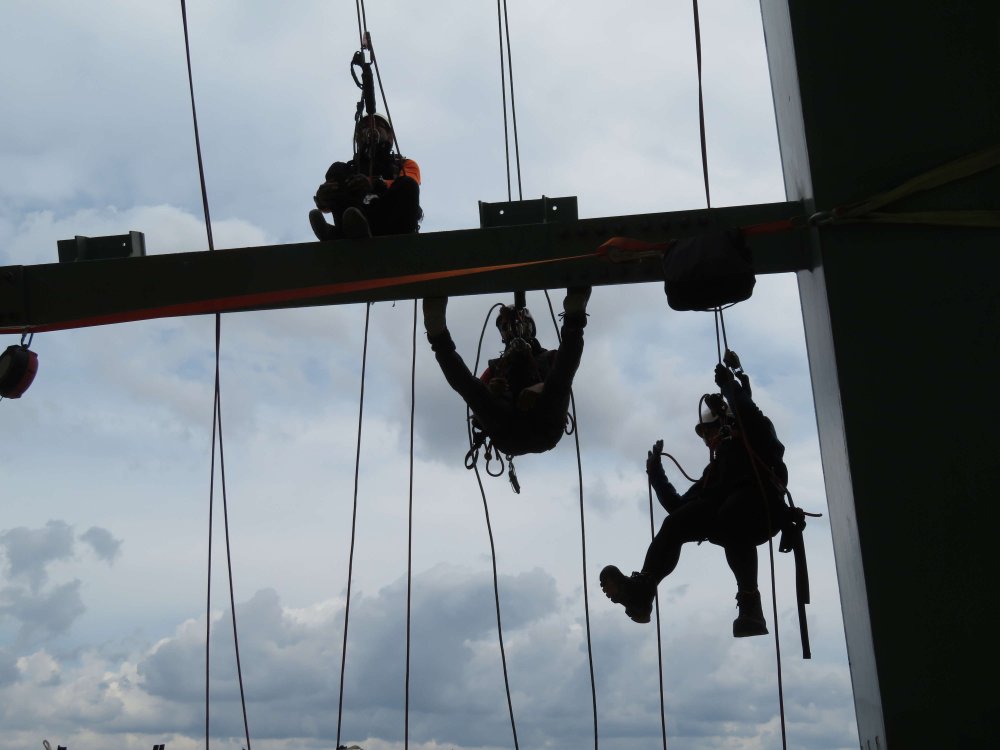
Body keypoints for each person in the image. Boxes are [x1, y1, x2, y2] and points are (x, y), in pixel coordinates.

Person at [600, 359, 789, 637]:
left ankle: (750, 602)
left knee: (731, 514)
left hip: (759, 507)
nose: (708, 439)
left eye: (711, 431)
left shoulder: (755, 438)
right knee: (676, 523)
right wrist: (656, 476)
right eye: (706, 435)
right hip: (728, 514)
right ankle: (642, 591)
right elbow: (680, 508)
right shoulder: (716, 471)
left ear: (726, 423)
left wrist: (729, 386)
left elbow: (748, 412)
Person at [422, 288, 591, 457]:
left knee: (560, 377)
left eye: (521, 322)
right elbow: (478, 408)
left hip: (536, 426)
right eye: (505, 326)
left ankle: (574, 319)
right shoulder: (496, 368)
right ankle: (437, 332)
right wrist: (492, 393)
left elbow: (561, 378)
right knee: (472, 388)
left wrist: (539, 388)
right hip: (519, 430)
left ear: (531, 326)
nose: (513, 329)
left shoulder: (550, 358)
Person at [309, 113, 422, 240]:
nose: (371, 128)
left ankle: (336, 235)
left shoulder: (404, 164)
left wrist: (376, 183)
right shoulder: (348, 170)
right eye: (364, 127)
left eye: (379, 125)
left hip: (392, 225)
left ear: (390, 136)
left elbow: (411, 185)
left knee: (408, 184)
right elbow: (333, 200)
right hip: (356, 218)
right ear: (357, 138)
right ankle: (345, 232)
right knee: (337, 169)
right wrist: (323, 199)